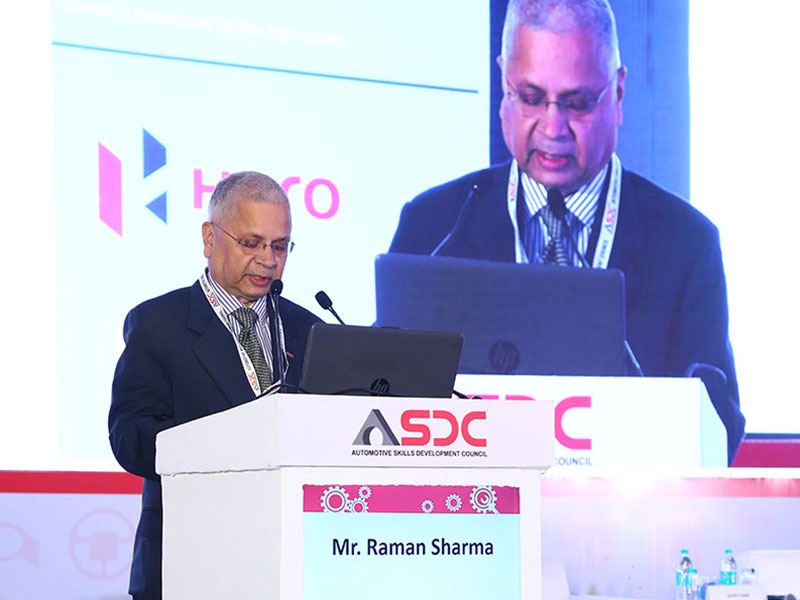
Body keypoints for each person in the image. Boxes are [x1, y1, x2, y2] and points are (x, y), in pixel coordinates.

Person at [389, 0, 745, 463]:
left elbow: (718, 427)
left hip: (626, 505)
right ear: (503, 84)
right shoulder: (433, 226)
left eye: (577, 103)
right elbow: (383, 398)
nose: (553, 127)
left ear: (618, 93)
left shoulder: (685, 243)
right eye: (531, 98)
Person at [109, 171, 320, 599]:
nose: (268, 259)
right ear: (210, 238)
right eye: (251, 243)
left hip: (294, 564)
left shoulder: (308, 328)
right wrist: (223, 442)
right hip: (190, 560)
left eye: (280, 246)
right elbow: (129, 438)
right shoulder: (158, 324)